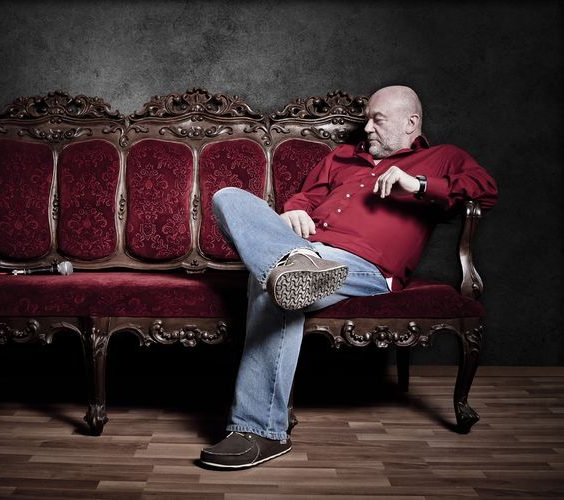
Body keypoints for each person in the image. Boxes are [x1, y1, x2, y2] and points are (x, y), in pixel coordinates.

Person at [199, 85, 498, 469]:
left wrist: (419, 184)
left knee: (270, 285)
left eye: (378, 120)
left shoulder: (443, 158)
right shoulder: (341, 158)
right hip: (305, 248)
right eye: (367, 119)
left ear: (410, 123)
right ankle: (294, 264)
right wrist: (294, 210)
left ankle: (260, 431)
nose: (367, 128)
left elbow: (485, 190)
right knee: (227, 197)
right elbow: (306, 197)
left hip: (365, 268)